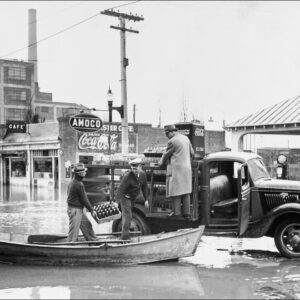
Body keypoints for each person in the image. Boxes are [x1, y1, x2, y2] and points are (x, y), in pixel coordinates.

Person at [158, 124, 194, 219]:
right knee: (186, 191)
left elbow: (165, 155)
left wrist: (160, 163)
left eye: (167, 134)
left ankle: (176, 213)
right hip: (187, 170)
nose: (166, 136)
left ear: (172, 132)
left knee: (176, 192)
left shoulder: (172, 141)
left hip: (177, 170)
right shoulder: (186, 138)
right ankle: (187, 213)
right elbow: (192, 153)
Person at [116, 158, 148, 240]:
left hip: (133, 197)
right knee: (127, 216)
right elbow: (120, 189)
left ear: (140, 167)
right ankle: (124, 237)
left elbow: (145, 187)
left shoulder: (143, 175)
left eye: (136, 168)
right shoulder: (127, 176)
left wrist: (146, 199)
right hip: (125, 197)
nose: (134, 171)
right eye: (133, 169)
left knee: (129, 215)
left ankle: (127, 232)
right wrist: (116, 202)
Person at [66, 162, 99, 242]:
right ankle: (69, 248)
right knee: (74, 232)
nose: (85, 173)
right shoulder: (78, 184)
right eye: (84, 172)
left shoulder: (72, 181)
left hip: (77, 209)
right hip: (75, 210)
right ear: (79, 174)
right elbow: (84, 199)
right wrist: (91, 210)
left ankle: (93, 242)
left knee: (87, 225)